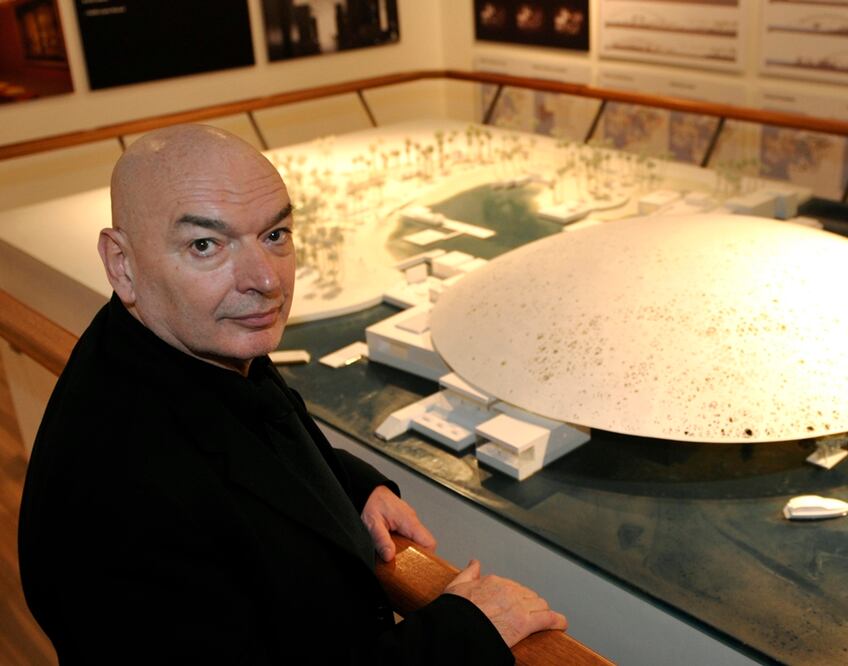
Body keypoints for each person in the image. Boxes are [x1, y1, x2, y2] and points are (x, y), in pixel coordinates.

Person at [18, 124, 567, 664]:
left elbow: (254, 435)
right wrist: (463, 633)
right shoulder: (120, 498)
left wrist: (347, 487)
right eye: (206, 244)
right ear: (122, 265)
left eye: (275, 235)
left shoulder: (180, 342)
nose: (266, 280)